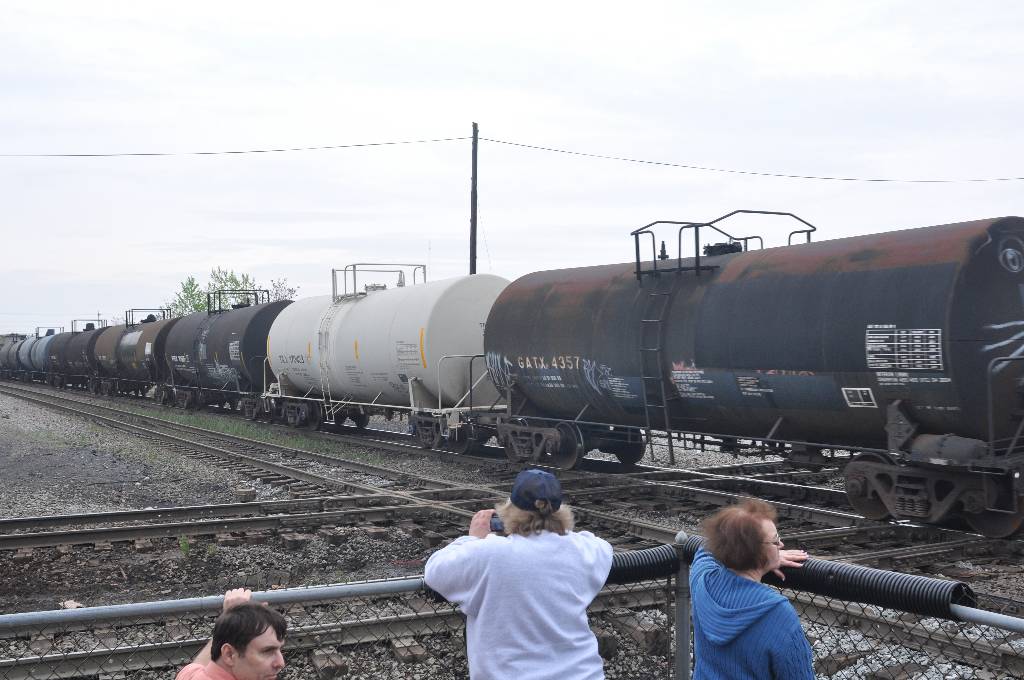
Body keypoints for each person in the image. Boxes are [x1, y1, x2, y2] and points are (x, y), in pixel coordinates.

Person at [424, 469, 612, 680]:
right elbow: (600, 545)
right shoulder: (586, 550)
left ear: (510, 510)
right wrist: (554, 528)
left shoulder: (490, 553)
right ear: (560, 511)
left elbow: (434, 571)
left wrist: (473, 538)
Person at [690, 499, 815, 680]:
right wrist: (768, 559)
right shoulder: (778, 613)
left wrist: (764, 555)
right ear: (758, 554)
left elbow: (705, 548)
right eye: (775, 541)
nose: (781, 545)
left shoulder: (703, 581)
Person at [176, 588, 287, 680]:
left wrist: (229, 620)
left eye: (280, 650)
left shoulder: (189, 675)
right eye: (267, 651)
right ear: (229, 654)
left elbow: (196, 667)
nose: (281, 663)